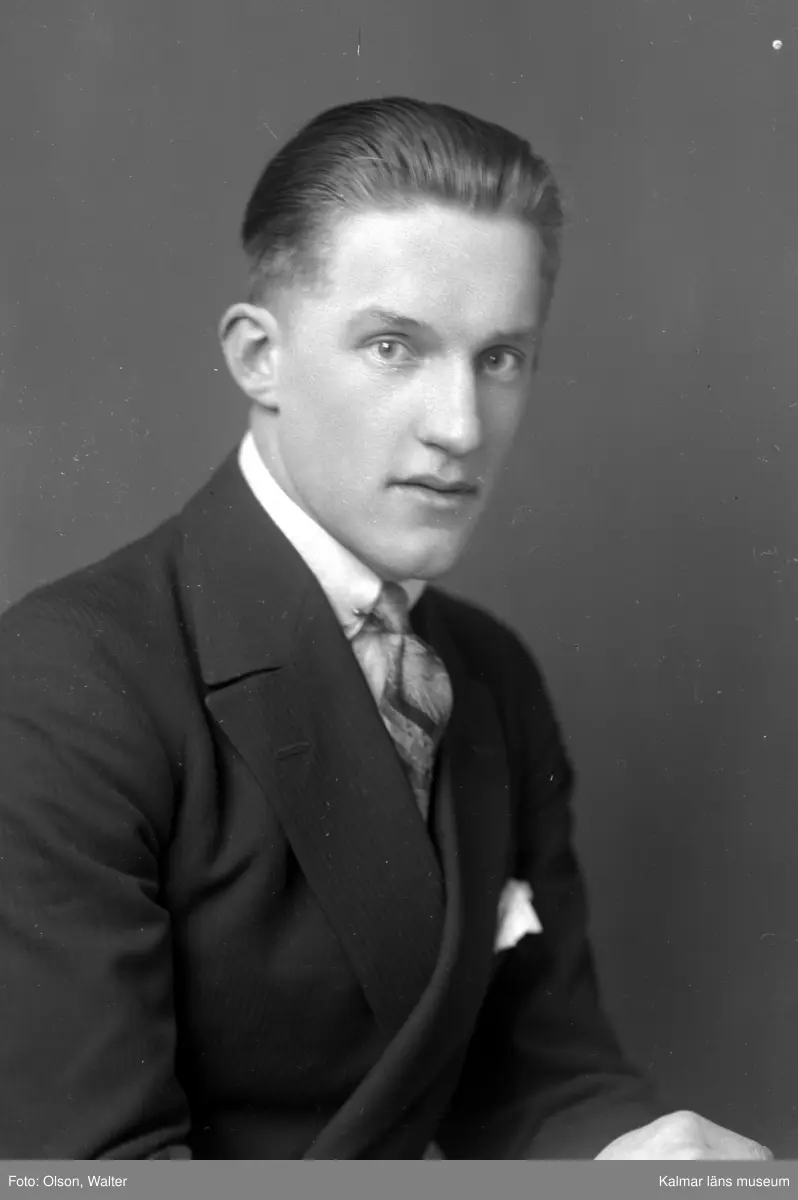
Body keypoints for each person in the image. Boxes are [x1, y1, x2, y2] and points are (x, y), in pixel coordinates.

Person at [0, 96, 770, 1162]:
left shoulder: (490, 675)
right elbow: (89, 1178)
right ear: (257, 356)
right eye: (394, 346)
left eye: (499, 358)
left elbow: (540, 1077)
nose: (460, 426)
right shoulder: (66, 679)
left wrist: (634, 1164)